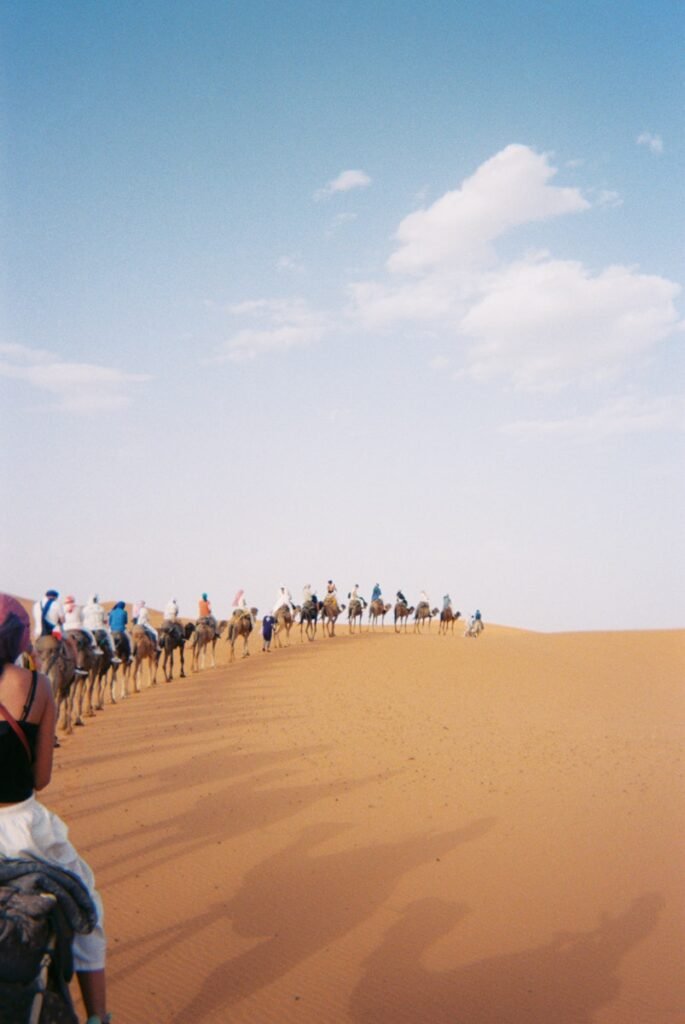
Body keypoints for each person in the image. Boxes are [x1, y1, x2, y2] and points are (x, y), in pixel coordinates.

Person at [0, 594, 110, 1024]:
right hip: (25, 829)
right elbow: (41, 777)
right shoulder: (38, 686)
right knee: (87, 906)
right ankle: (98, 1016)